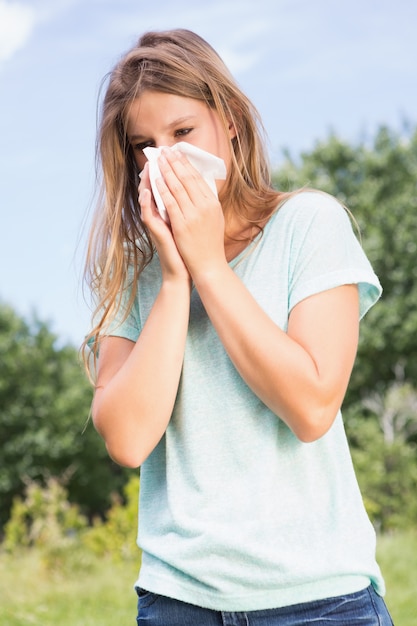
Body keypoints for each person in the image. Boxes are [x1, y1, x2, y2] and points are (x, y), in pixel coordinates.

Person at [83, 28, 394, 626]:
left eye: (182, 133)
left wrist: (207, 266)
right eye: (145, 145)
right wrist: (176, 280)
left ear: (227, 120)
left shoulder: (309, 224)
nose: (166, 158)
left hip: (321, 601)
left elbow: (310, 407)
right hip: (180, 602)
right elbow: (126, 440)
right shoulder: (134, 270)